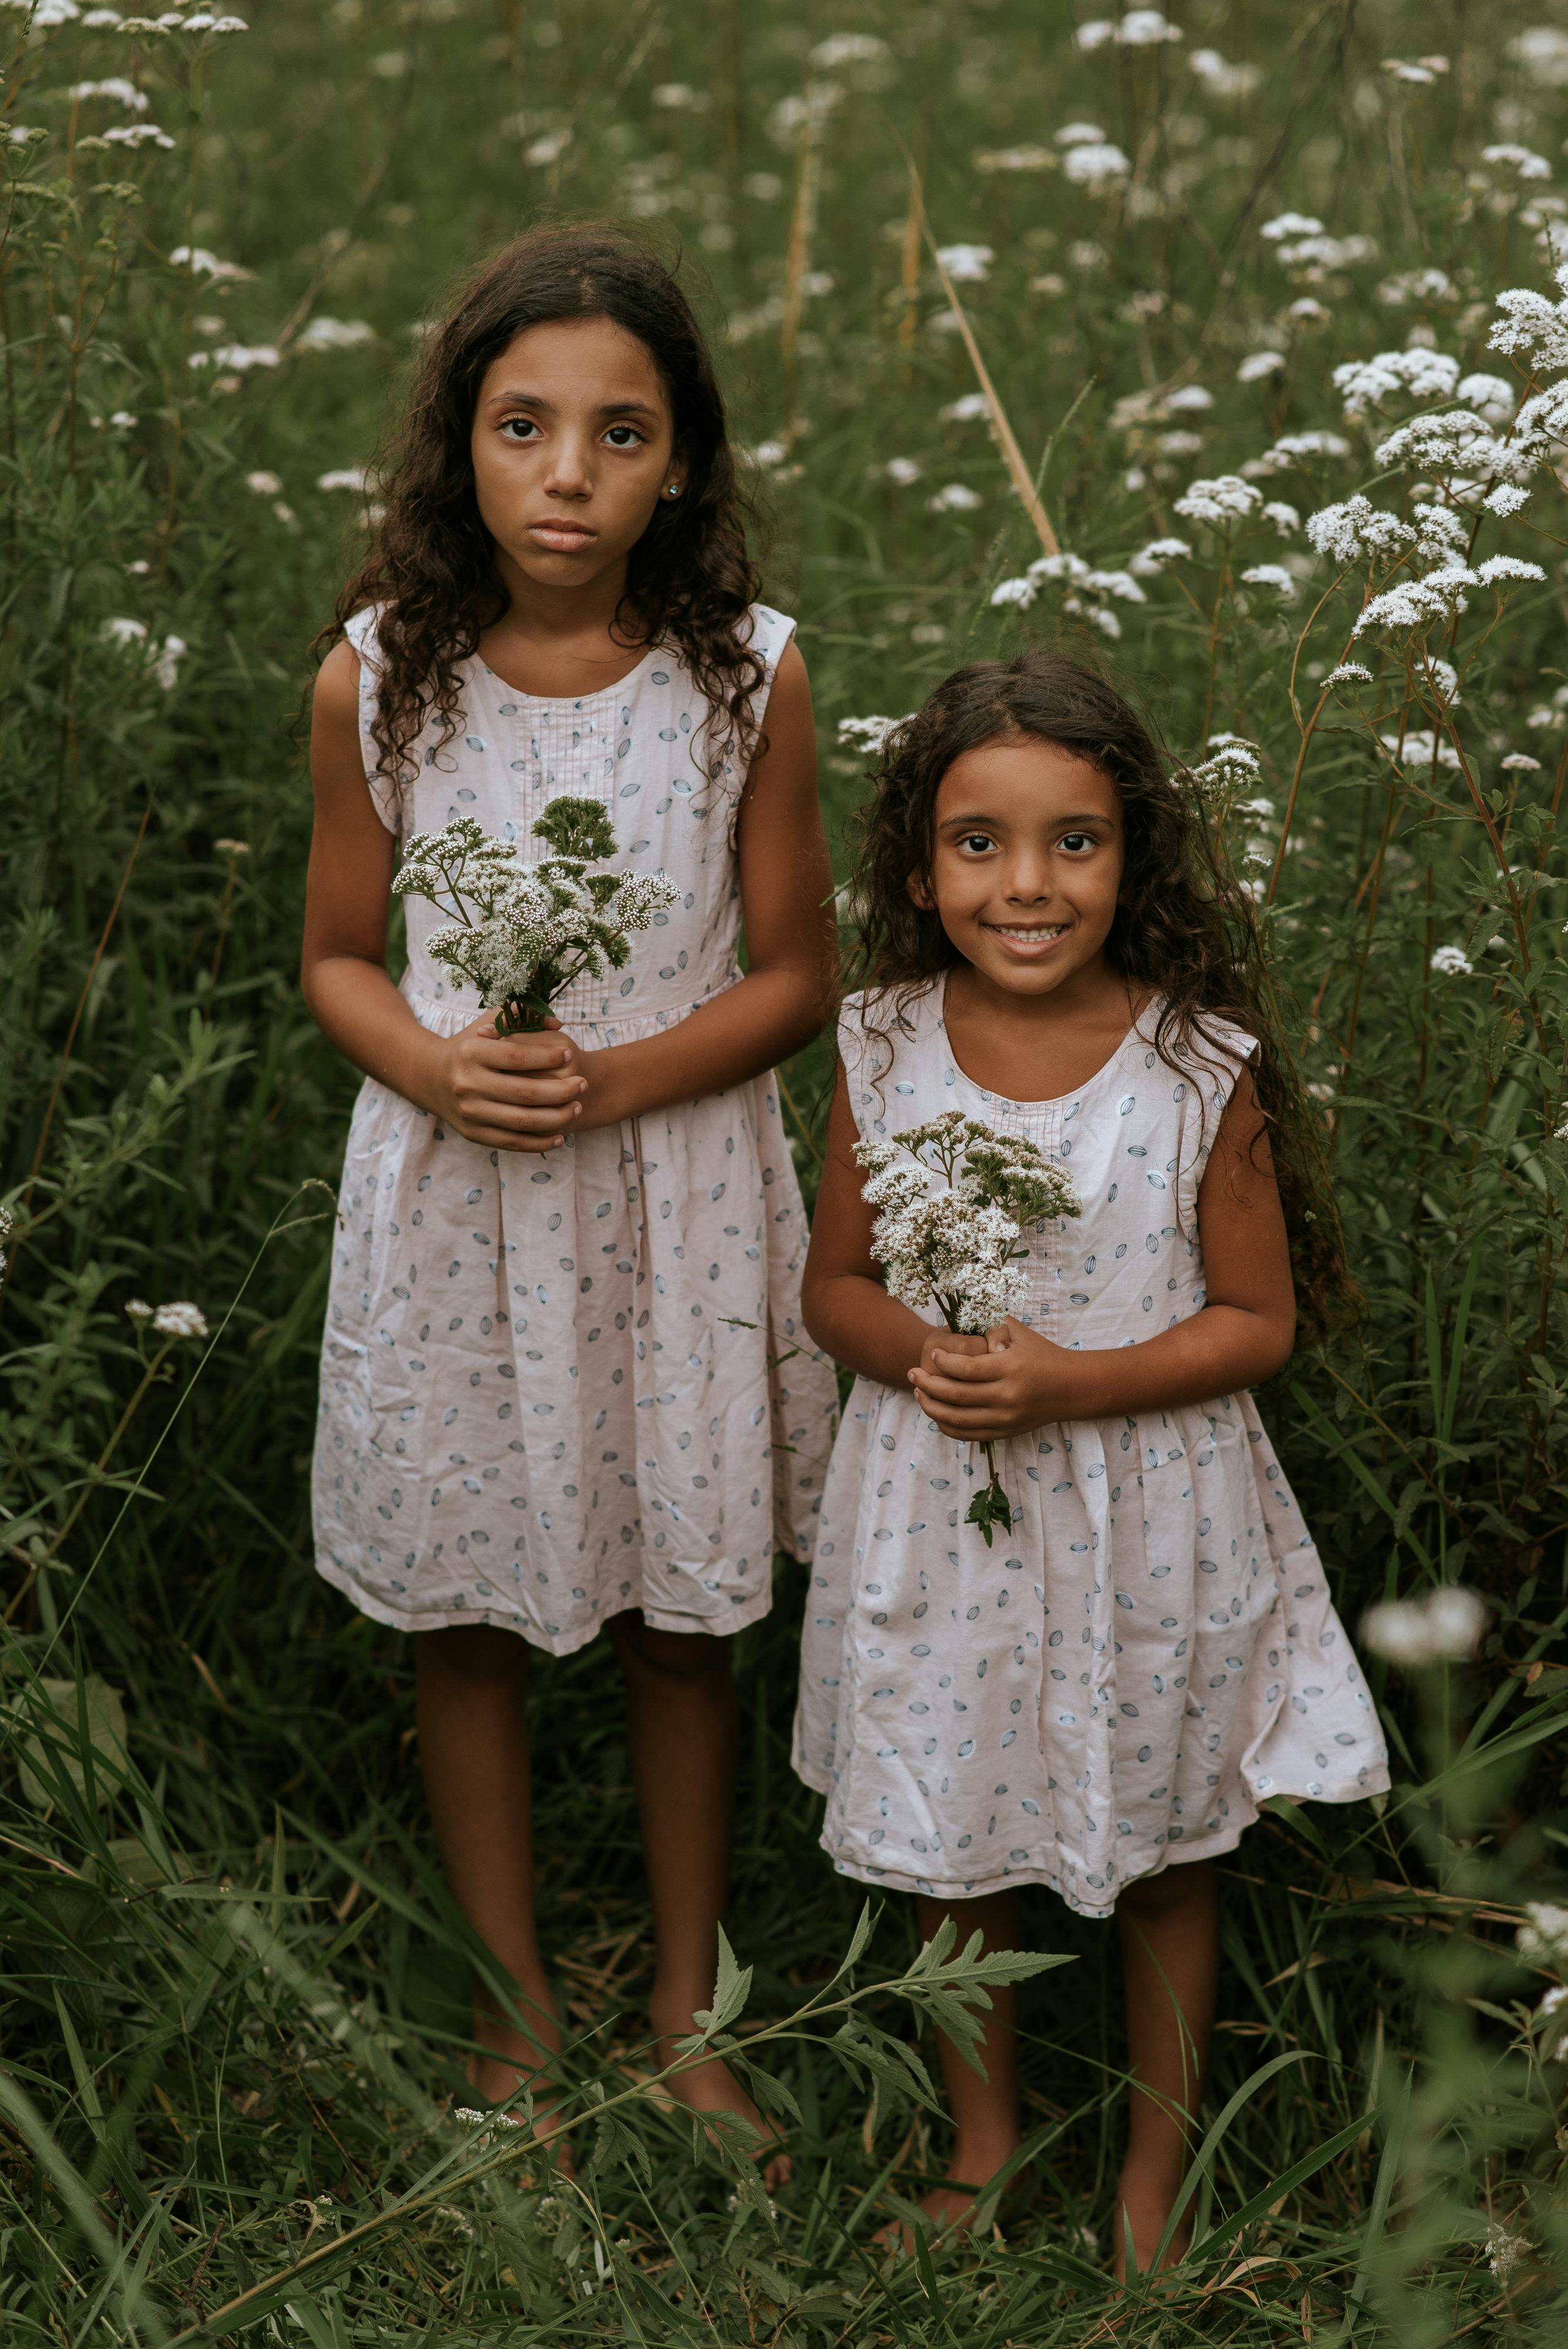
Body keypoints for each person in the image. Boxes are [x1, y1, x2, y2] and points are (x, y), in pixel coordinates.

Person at [301, 226, 839, 2176]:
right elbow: (339, 955)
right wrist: (441, 1060)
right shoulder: (380, 680)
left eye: (620, 434)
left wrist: (610, 1077)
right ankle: (511, 2008)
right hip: (460, 1192)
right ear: (462, 446)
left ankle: (693, 2011)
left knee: (681, 1613)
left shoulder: (739, 680)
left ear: (680, 461)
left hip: (671, 1199)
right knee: (464, 1609)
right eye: (524, 427)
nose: (566, 473)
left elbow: (795, 974)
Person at [793, 648, 1388, 2268]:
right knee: (950, 1832)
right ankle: (983, 2145)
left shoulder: (1200, 1067)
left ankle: (1152, 2170)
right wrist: (932, 1357)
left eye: (1077, 840)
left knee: (1173, 1844)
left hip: (1153, 1513)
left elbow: (1256, 1322)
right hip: (942, 1505)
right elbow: (831, 1287)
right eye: (979, 842)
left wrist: (1074, 1380)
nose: (1029, 884)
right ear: (921, 864)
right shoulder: (884, 1040)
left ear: (1137, 856)